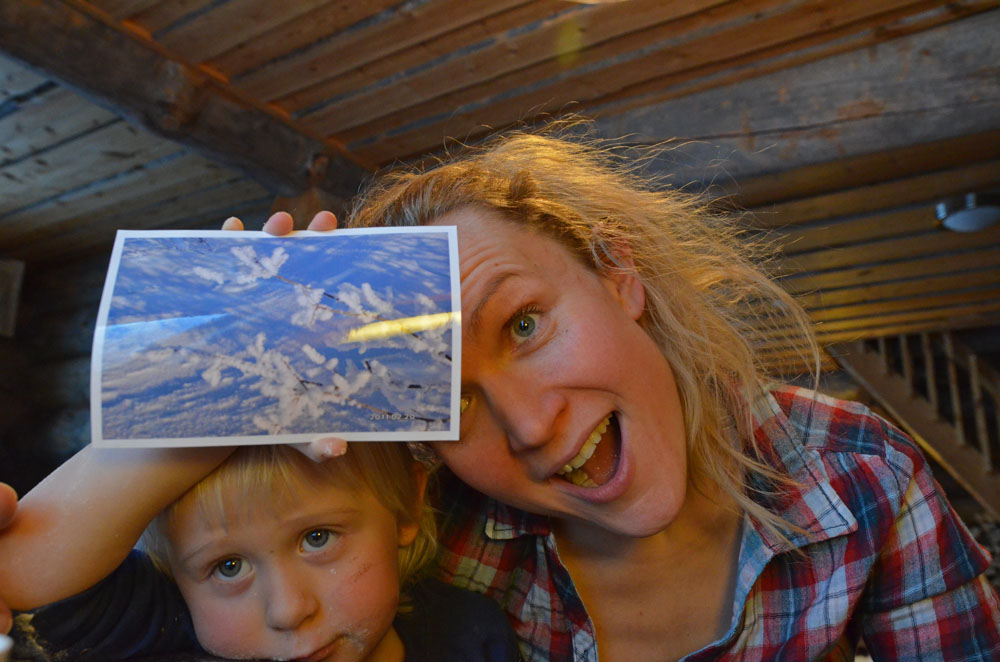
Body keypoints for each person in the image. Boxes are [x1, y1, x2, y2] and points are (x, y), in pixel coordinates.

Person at [3, 125, 1000, 661]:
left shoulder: (857, 474)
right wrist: (215, 380)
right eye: (458, 398)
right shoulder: (432, 543)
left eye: (524, 323)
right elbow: (43, 576)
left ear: (619, 277)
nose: (529, 425)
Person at [2, 442, 519, 662]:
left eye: (317, 538)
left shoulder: (471, 635)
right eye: (228, 567)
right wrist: (220, 409)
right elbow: (16, 580)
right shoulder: (165, 623)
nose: (288, 610)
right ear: (174, 577)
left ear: (407, 503)